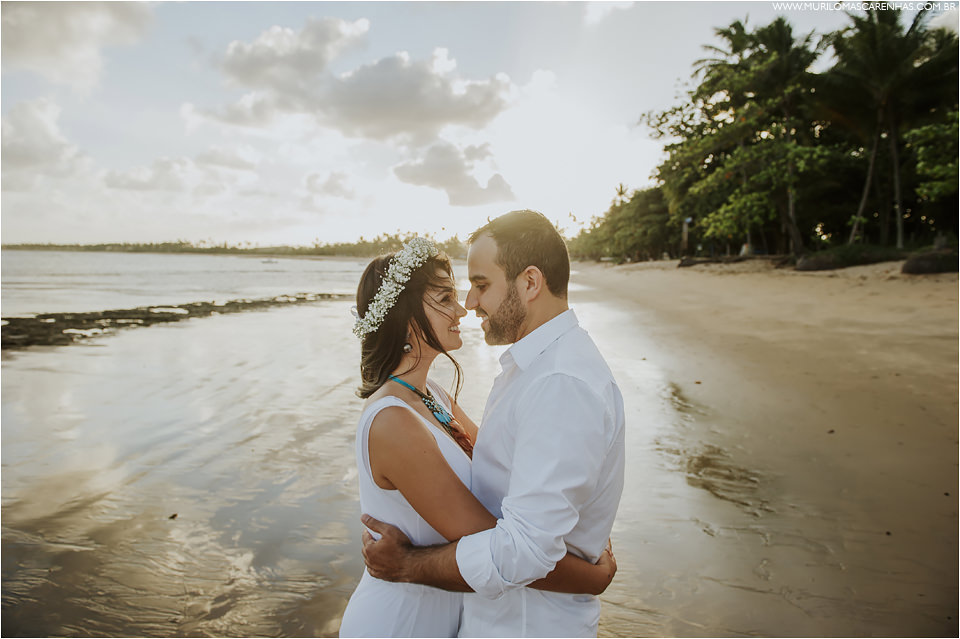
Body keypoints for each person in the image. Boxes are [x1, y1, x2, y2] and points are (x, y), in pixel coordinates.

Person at [360, 211, 626, 637]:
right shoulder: (528, 370)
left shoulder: (557, 382)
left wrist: (409, 564)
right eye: (448, 296)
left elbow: (522, 548)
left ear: (530, 282)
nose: (467, 304)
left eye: (480, 285)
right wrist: (589, 568)